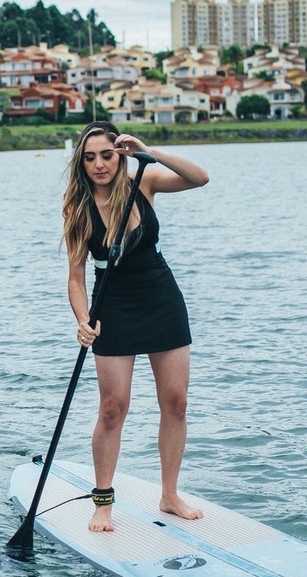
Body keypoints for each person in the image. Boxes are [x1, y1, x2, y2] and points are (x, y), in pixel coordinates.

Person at [62, 121, 210, 533]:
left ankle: (169, 496)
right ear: (81, 163)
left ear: (120, 154)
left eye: (107, 155)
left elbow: (199, 178)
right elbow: (75, 278)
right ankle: (103, 503)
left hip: (161, 297)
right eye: (89, 158)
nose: (99, 164)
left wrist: (149, 152)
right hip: (113, 305)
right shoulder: (78, 208)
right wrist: (82, 319)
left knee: (176, 402)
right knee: (113, 409)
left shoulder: (143, 181)